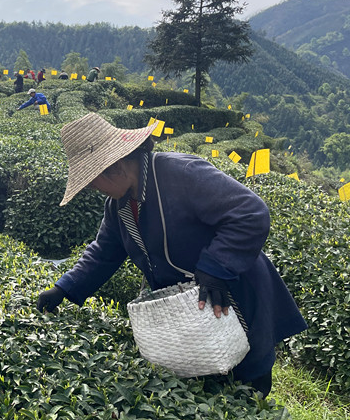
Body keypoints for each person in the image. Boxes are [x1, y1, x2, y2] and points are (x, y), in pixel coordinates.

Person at [36, 113, 307, 397]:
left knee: (249, 376)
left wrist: (215, 268)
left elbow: (250, 213)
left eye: (93, 182)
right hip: (190, 307)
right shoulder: (118, 205)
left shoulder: (180, 172)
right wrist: (64, 288)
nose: (93, 189)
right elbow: (104, 250)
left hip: (232, 288)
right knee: (206, 378)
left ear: (113, 167)